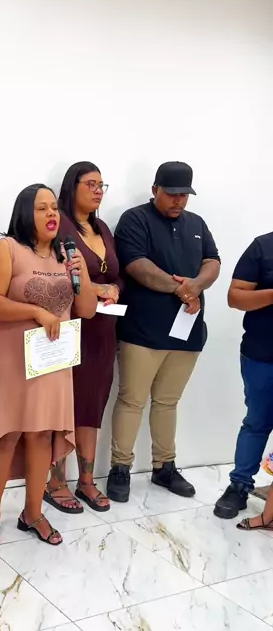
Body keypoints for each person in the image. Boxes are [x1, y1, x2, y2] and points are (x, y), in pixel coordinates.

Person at [0, 184, 97, 550]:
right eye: (42, 208)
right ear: (26, 213)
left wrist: (82, 273)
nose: (52, 214)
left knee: (41, 436)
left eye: (54, 207)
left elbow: (87, 310)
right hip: (10, 357)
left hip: (51, 359)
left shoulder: (67, 255)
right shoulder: (8, 249)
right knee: (6, 436)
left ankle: (33, 513)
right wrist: (36, 312)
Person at [107, 161, 221, 503]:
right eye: (172, 194)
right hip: (142, 331)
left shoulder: (196, 224)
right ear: (155, 189)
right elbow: (137, 266)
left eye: (184, 195)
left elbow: (212, 261)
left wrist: (197, 285)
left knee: (168, 402)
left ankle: (164, 467)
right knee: (132, 400)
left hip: (188, 332)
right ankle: (120, 468)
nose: (178, 200)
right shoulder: (135, 219)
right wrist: (183, 290)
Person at [44, 162, 122, 513]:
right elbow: (53, 273)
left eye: (102, 185)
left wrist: (114, 289)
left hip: (102, 331)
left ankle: (86, 480)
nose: (98, 191)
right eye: (90, 184)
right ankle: (55, 481)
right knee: (63, 405)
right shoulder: (60, 225)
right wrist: (96, 288)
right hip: (68, 327)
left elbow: (117, 274)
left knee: (92, 405)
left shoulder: (102, 227)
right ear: (71, 186)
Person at [214, 231, 273, 520]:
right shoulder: (263, 246)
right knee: (257, 422)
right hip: (262, 355)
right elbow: (235, 297)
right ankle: (239, 485)